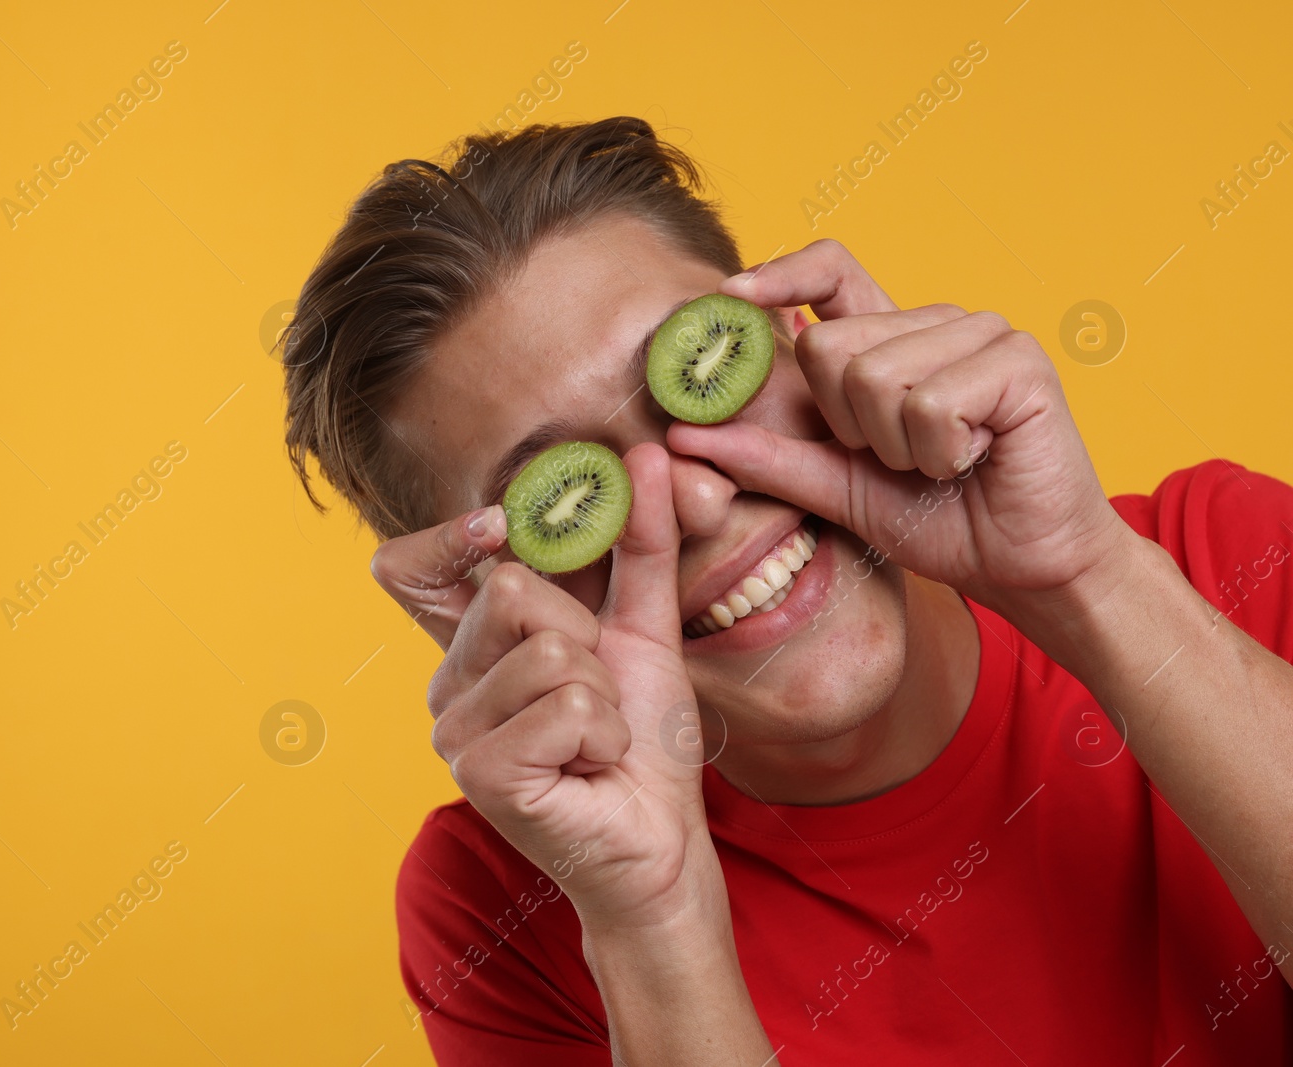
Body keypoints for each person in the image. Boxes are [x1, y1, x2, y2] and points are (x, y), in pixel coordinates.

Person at [279, 117, 1293, 1064]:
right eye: (564, 496)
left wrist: (1088, 581)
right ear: (490, 598)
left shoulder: (1219, 559)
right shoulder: (507, 904)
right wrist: (653, 918)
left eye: (697, 369)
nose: (695, 501)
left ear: (801, 326)